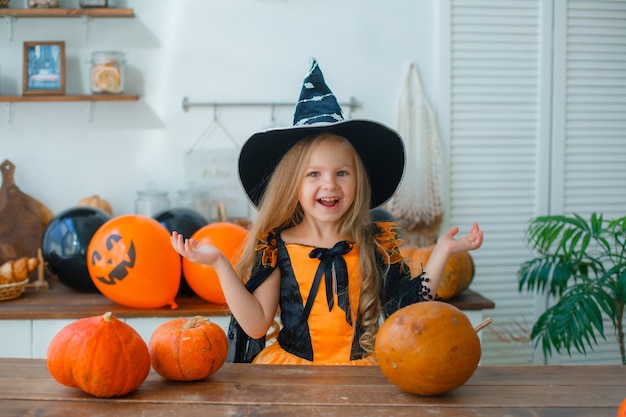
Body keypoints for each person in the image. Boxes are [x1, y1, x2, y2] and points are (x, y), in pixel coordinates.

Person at [171, 59, 483, 365]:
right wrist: (219, 263)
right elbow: (255, 326)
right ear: (293, 184)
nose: (329, 185)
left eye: (342, 173)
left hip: (362, 373)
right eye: (314, 174)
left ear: (359, 181)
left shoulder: (374, 242)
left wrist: (442, 251)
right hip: (293, 372)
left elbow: (410, 309)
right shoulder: (276, 246)